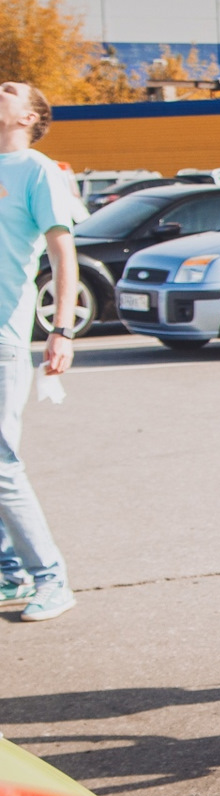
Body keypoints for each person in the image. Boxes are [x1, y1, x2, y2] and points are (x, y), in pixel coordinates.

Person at [0, 81, 82, 621]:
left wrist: (61, 330)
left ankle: (51, 578)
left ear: (30, 115)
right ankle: (11, 575)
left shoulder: (37, 170)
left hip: (3, 335)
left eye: (9, 89)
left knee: (2, 464)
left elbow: (62, 253)